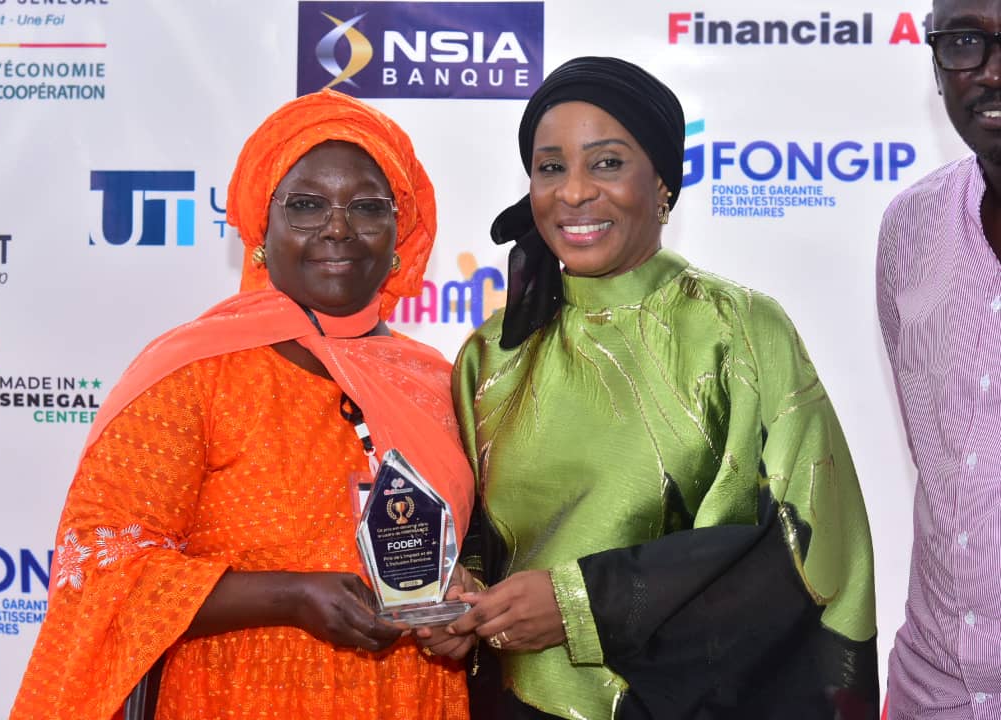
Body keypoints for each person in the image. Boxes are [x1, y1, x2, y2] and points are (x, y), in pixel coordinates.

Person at [426, 56, 879, 719]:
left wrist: (582, 603)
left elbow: (802, 548)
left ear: (663, 180)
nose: (573, 192)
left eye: (606, 163)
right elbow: (469, 537)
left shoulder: (738, 330)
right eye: (550, 167)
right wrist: (455, 599)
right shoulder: (493, 353)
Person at [9, 89, 475, 720]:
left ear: (400, 233)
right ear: (262, 229)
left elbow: (470, 545)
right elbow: (99, 566)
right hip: (237, 697)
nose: (338, 228)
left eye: (368, 207)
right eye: (306, 205)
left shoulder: (435, 380)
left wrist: (462, 596)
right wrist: (288, 596)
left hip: (411, 699)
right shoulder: (195, 372)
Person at [877, 1, 1001, 716]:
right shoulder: (910, 225)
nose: (991, 71)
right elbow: (941, 459)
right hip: (933, 691)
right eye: (964, 41)